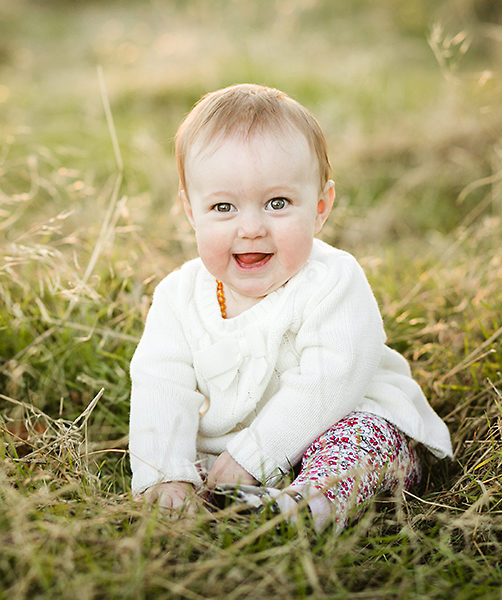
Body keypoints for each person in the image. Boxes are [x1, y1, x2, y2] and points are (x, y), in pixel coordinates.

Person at [128, 83, 453, 532]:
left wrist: (256, 455)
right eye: (223, 207)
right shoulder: (176, 297)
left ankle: (303, 510)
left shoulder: (332, 280)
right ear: (190, 212)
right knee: (190, 464)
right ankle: (220, 502)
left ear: (320, 207)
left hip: (337, 428)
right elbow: (161, 388)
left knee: (363, 442)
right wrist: (166, 476)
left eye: (277, 203)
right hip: (230, 459)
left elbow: (330, 378)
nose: (251, 228)